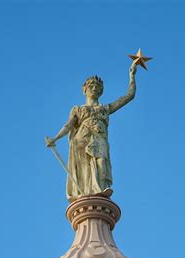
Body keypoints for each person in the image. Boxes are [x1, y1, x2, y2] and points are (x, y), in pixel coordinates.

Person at [46, 63, 137, 200]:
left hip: (99, 138)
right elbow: (69, 125)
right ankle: (87, 193)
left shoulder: (105, 108)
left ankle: (99, 190)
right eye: (91, 86)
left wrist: (132, 77)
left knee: (101, 163)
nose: (94, 89)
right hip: (82, 139)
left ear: (101, 92)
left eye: (97, 87)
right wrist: (56, 138)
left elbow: (129, 97)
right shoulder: (78, 109)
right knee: (84, 170)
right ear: (85, 90)